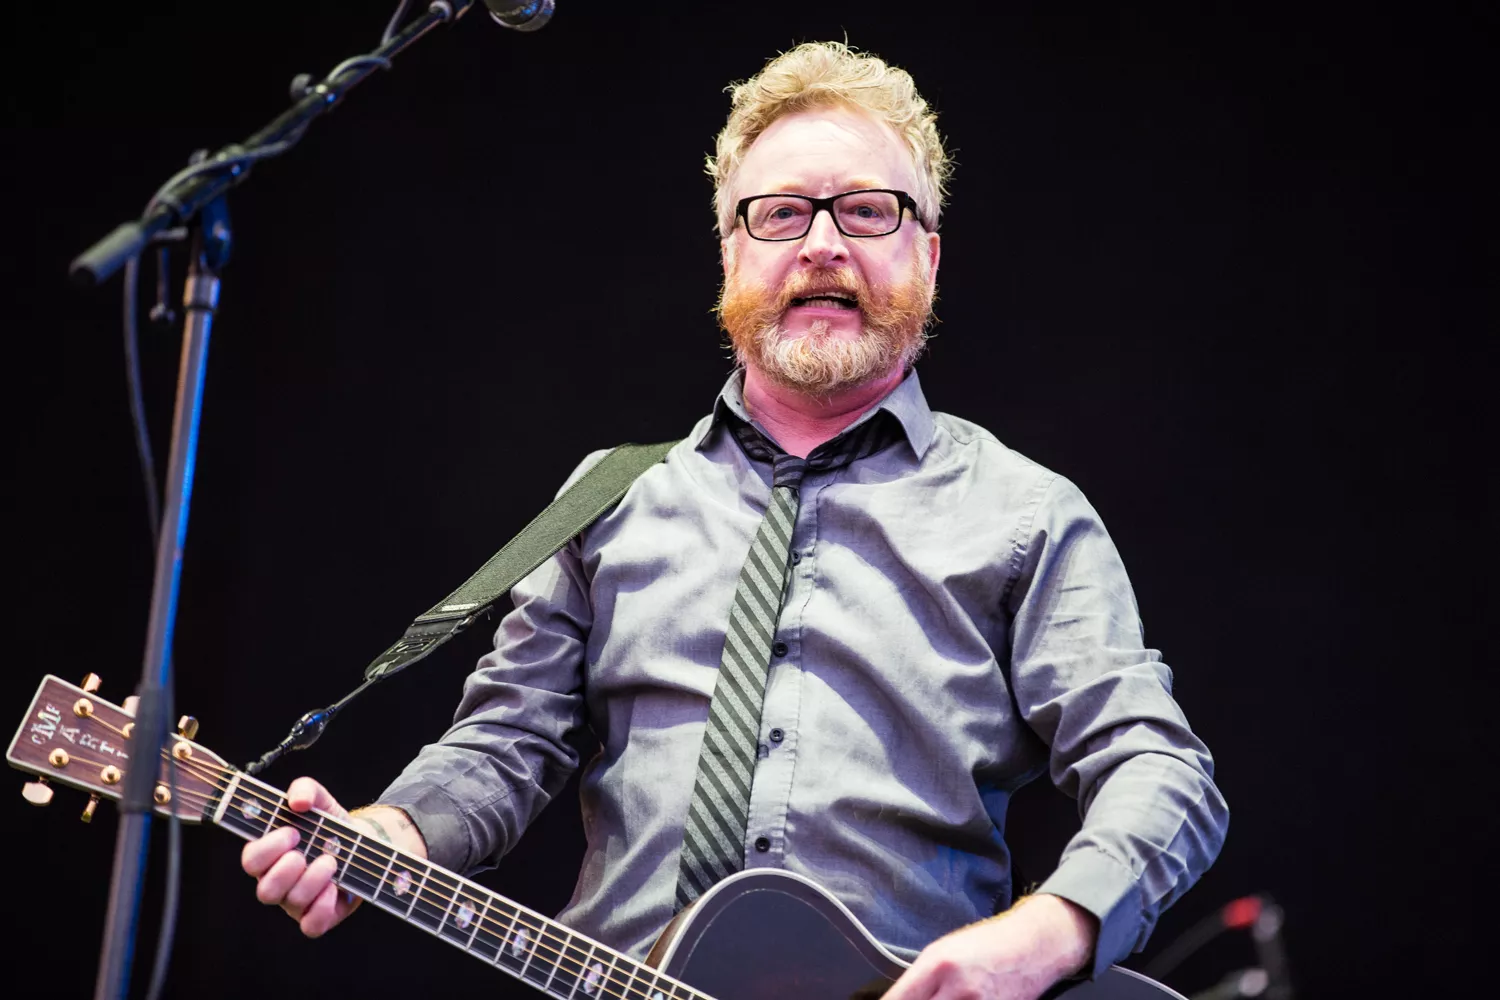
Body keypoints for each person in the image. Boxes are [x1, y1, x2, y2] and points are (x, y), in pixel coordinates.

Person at [242, 41, 1228, 1000]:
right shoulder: (609, 496)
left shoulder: (1024, 513)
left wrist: (1053, 929)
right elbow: (507, 741)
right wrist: (394, 832)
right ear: (730, 253)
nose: (823, 244)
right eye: (782, 213)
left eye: (868, 211)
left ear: (927, 255)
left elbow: (1158, 768)